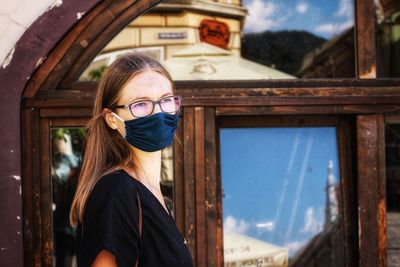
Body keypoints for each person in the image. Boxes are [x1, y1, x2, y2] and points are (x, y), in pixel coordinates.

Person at [69, 52, 194, 267]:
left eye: (166, 100)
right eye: (140, 104)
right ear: (111, 119)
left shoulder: (155, 193)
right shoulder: (116, 191)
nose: (158, 113)